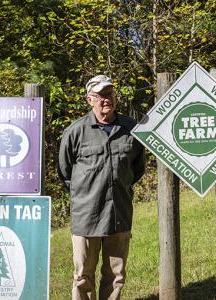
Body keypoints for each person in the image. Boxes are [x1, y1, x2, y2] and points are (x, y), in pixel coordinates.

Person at [59, 75, 145, 300]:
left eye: (109, 94)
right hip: (86, 215)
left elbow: (137, 169)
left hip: (120, 212)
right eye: (100, 96)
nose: (106, 99)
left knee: (115, 275)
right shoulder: (75, 132)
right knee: (83, 276)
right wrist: (89, 191)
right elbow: (65, 172)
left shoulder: (131, 129)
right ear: (89, 100)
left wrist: (118, 185)